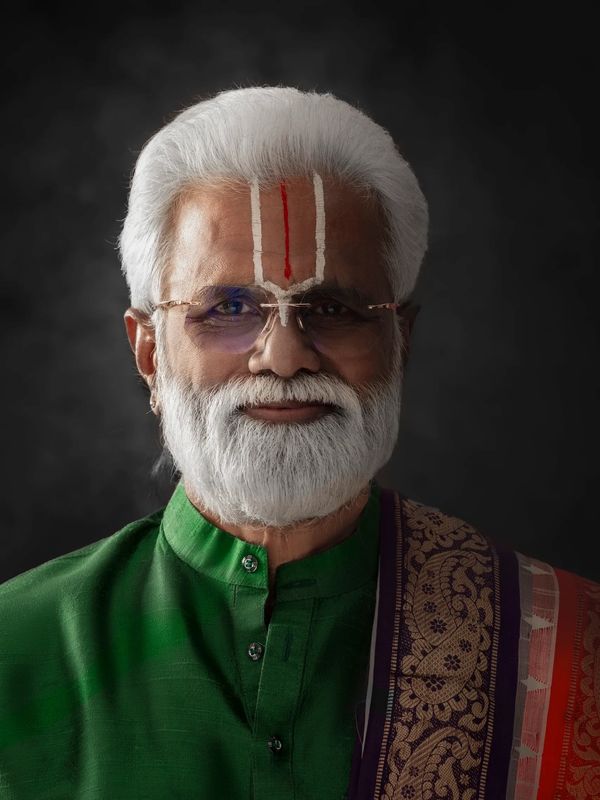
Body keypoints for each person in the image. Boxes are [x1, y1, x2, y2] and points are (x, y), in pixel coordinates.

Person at [0, 87, 598, 800]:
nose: (283, 357)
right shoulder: (16, 656)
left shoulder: (567, 654)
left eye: (332, 308)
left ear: (400, 342)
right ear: (150, 354)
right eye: (227, 308)